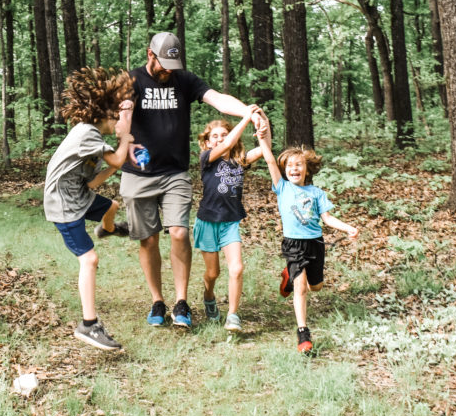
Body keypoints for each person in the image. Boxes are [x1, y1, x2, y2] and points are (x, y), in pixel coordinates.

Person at [121, 32, 265, 329]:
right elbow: (120, 118)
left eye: (173, 65)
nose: (168, 71)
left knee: (179, 233)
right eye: (164, 64)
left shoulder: (184, 80)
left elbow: (219, 101)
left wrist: (248, 112)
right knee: (147, 239)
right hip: (138, 174)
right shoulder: (131, 81)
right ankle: (157, 300)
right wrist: (126, 139)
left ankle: (181, 301)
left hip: (174, 173)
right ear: (150, 54)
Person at [44, 67, 135, 351]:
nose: (116, 122)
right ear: (103, 115)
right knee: (89, 260)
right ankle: (89, 325)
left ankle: (107, 229)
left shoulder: (91, 138)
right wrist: (126, 135)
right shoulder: (87, 134)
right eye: (115, 117)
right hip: (63, 205)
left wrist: (114, 162)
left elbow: (95, 179)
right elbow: (119, 160)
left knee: (112, 205)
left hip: (79, 195)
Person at [256, 133, 359, 354]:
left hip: (315, 244)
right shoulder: (282, 188)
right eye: (290, 165)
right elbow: (270, 160)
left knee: (315, 287)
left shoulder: (317, 193)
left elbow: (328, 219)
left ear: (307, 169)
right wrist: (263, 138)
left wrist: (348, 227)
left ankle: (288, 276)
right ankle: (303, 333)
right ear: (285, 170)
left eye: (299, 165)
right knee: (301, 288)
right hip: (293, 244)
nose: (294, 168)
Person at [193, 108, 265, 332]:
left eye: (224, 134)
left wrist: (263, 124)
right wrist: (246, 117)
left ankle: (233, 315)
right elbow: (223, 147)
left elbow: (265, 148)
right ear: (206, 142)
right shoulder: (207, 159)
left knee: (237, 269)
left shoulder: (240, 161)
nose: (220, 139)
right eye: (214, 136)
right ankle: (209, 296)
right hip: (207, 222)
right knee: (213, 273)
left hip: (230, 223)